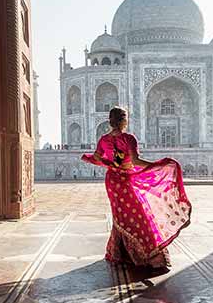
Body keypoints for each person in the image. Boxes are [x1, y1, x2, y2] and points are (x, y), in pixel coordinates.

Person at [81, 106, 191, 270]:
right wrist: (156, 165)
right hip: (125, 179)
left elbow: (97, 158)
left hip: (112, 180)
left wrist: (109, 164)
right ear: (124, 120)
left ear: (110, 121)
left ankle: (120, 252)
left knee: (121, 216)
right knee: (138, 213)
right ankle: (147, 253)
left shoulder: (103, 139)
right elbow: (136, 161)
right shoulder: (128, 138)